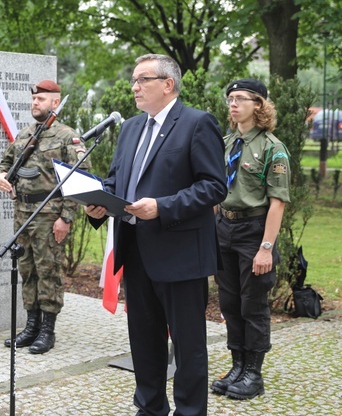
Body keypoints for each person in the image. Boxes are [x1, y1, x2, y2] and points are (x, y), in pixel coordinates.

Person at [85, 54, 227, 415]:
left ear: (168, 84)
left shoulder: (197, 123)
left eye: (142, 79)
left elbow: (213, 187)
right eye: (133, 80)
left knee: (188, 345)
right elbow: (118, 181)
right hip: (136, 252)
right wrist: (97, 202)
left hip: (181, 255)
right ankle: (150, 408)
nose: (134, 87)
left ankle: (190, 411)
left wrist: (162, 206)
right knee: (145, 343)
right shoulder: (131, 127)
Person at [0, 79, 87, 354]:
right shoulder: (23, 135)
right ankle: (31, 326)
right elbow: (3, 164)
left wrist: (66, 217)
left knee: (48, 271)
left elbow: (79, 179)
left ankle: (47, 331)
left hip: (49, 215)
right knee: (27, 270)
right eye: (34, 99)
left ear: (55, 103)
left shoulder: (68, 137)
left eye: (42, 99)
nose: (35, 103)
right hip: (22, 214)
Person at [211, 79, 290, 400]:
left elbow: (278, 202)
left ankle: (253, 374)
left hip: (253, 232)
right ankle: (237, 366)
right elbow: (217, 190)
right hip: (223, 229)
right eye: (230, 98)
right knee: (229, 304)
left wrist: (266, 248)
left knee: (252, 305)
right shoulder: (227, 142)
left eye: (240, 98)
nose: (233, 104)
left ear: (259, 105)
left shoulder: (272, 147)